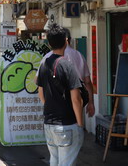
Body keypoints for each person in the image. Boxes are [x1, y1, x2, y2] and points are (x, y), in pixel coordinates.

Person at [37, 24, 84, 166]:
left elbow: (40, 92)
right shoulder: (67, 65)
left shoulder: (44, 64)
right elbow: (76, 99)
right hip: (67, 124)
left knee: (55, 161)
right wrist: (80, 123)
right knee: (66, 163)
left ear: (49, 43)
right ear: (66, 41)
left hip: (49, 124)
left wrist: (51, 107)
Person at [39, 26, 96, 117]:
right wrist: (91, 103)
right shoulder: (78, 55)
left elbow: (40, 85)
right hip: (77, 104)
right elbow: (88, 82)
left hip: (54, 107)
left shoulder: (46, 58)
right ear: (68, 40)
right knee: (76, 127)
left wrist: (47, 105)